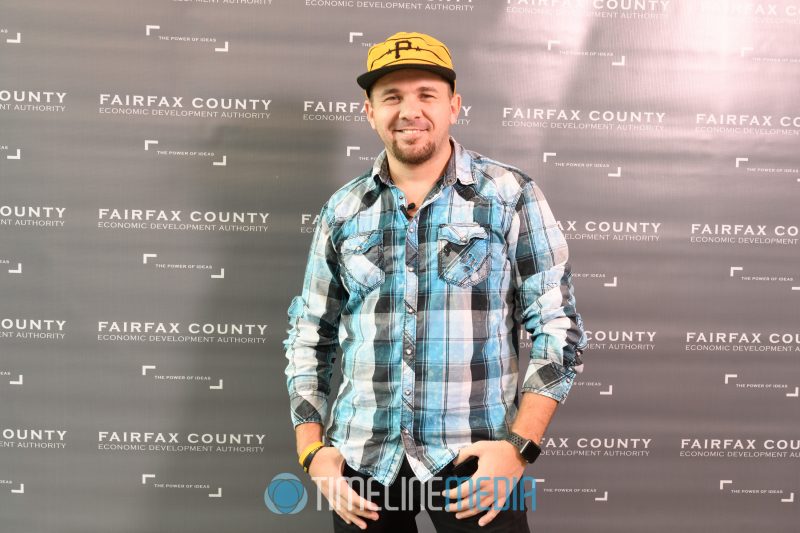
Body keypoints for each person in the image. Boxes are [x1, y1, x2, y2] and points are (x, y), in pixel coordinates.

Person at [284, 31, 587, 532]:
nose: (410, 111)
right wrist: (312, 450)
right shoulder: (341, 211)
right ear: (370, 111)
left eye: (426, 94)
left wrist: (520, 448)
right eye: (392, 97)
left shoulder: (509, 196)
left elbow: (559, 327)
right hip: (364, 460)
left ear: (453, 105)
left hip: (474, 459)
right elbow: (309, 334)